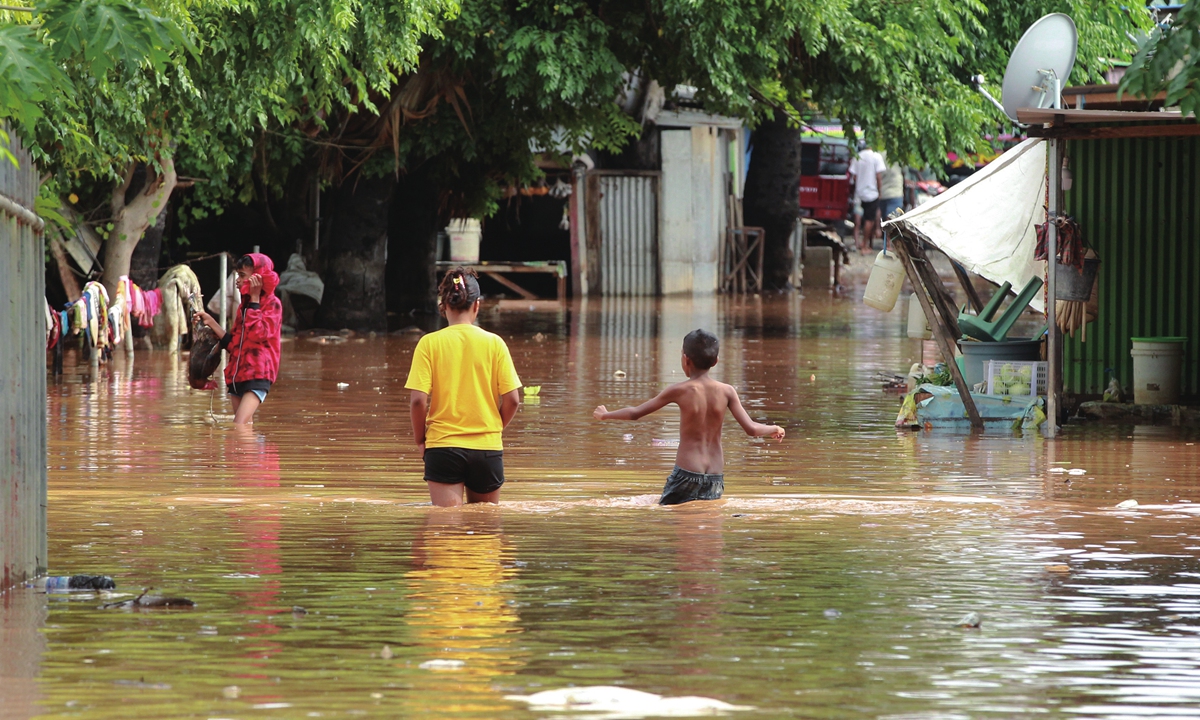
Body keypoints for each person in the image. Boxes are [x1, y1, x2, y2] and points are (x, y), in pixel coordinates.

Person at [593, 329, 785, 505]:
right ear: (716, 361)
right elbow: (751, 429)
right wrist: (774, 428)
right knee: (706, 520)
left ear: (685, 359)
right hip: (715, 477)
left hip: (687, 473)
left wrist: (606, 415)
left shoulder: (680, 390)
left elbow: (635, 413)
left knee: (676, 520)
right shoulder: (727, 391)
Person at [406, 267, 522, 507]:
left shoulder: (428, 344)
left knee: (445, 529)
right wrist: (493, 429)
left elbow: (418, 401)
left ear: (443, 305)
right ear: (477, 305)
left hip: (443, 447)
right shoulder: (495, 343)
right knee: (486, 529)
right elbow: (513, 400)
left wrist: (420, 441)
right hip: (487, 448)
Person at [194, 253, 283, 426]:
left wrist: (255, 301)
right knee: (245, 427)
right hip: (238, 375)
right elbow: (234, 344)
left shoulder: (272, 304)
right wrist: (210, 321)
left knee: (239, 425)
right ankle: (255, 453)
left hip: (258, 374)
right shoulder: (244, 306)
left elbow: (260, 334)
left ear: (258, 278)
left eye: (242, 276)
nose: (237, 281)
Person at [849, 144, 886, 253]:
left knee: (857, 220)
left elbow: (854, 177)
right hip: (871, 194)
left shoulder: (857, 157)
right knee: (869, 220)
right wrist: (879, 191)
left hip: (859, 193)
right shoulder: (876, 156)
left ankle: (857, 243)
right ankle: (864, 244)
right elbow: (878, 177)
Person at [878, 155, 905, 225]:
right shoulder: (899, 153)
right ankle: (888, 235)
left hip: (883, 193)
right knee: (892, 220)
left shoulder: (878, 154)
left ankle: (884, 234)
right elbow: (904, 171)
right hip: (896, 192)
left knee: (884, 220)